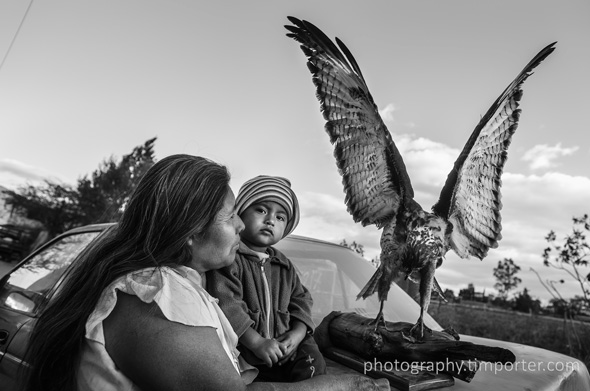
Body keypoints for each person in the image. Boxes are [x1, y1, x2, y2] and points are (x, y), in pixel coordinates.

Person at [21, 154, 389, 391]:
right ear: (192, 231)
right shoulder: (158, 298)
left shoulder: (185, 289)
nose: (242, 229)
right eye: (232, 217)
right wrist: (356, 386)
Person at [206, 175, 325, 382]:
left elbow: (302, 300)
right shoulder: (229, 259)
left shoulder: (284, 265)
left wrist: (297, 334)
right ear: (240, 214)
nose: (270, 220)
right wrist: (257, 342)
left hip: (288, 349)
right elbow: (227, 304)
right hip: (248, 354)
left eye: (280, 217)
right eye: (261, 210)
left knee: (313, 363)